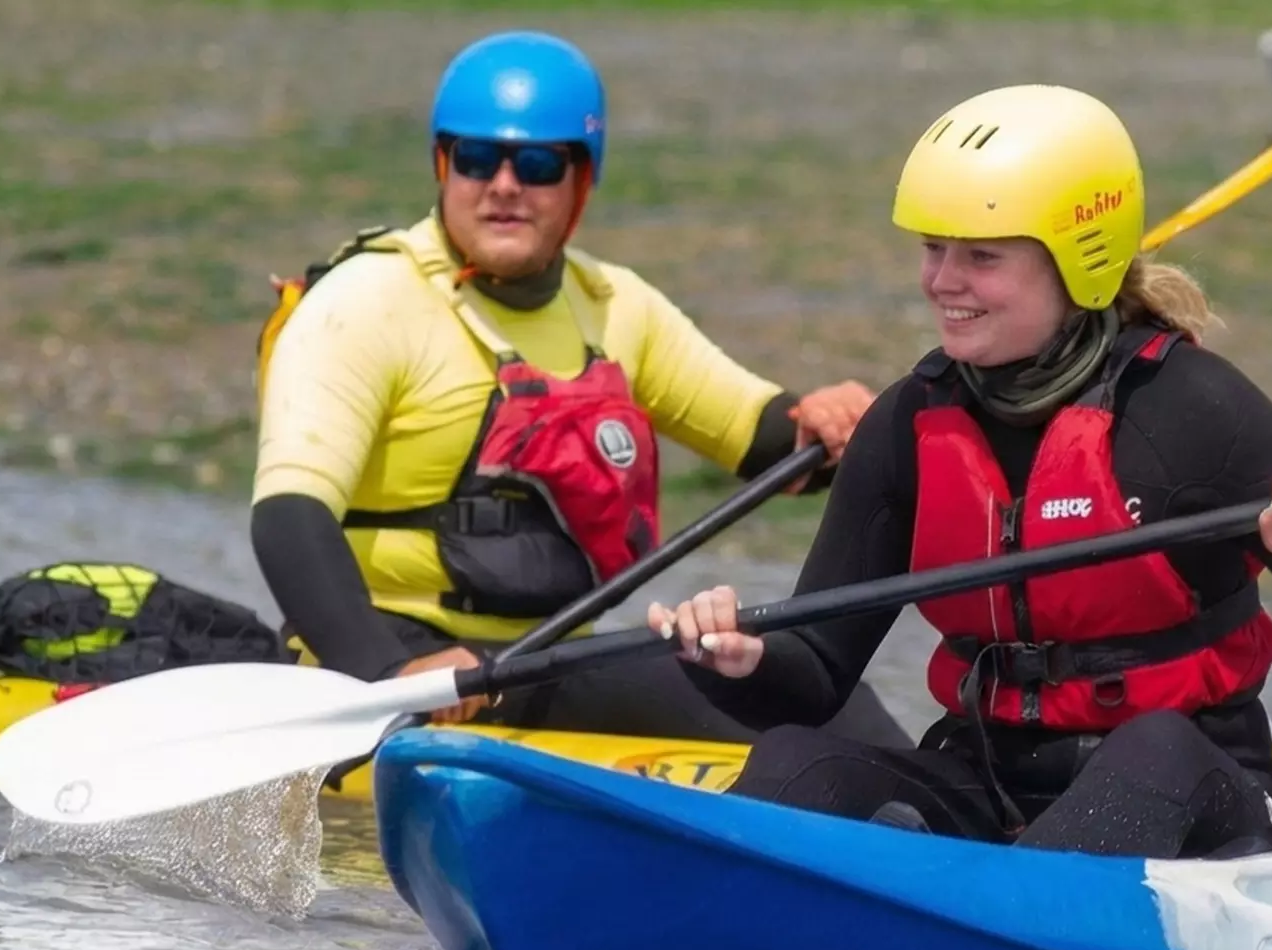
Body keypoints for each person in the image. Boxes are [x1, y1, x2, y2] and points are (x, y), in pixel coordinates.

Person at [646, 84, 1272, 859]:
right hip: (986, 782)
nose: (941, 281)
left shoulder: (1193, 408)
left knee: (1152, 747)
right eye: (932, 249)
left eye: (981, 257)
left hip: (1198, 788)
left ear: (1076, 264)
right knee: (796, 758)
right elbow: (816, 674)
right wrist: (740, 660)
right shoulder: (907, 424)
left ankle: (977, 918)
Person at [249, 29, 906, 746]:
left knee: (827, 709)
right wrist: (391, 672)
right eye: (475, 158)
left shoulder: (614, 303)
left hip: (543, 661)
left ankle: (949, 841)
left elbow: (762, 438)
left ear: (580, 181)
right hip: (384, 668)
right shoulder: (364, 301)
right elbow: (289, 516)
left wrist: (830, 421)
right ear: (443, 165)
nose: (503, 184)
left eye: (536, 164)